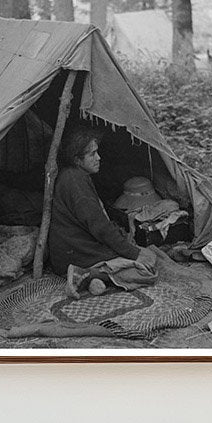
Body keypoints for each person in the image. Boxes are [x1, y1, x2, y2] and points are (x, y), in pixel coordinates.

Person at [48, 125, 158, 297]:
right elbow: (99, 226)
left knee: (139, 256)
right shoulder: (75, 182)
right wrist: (134, 253)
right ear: (77, 160)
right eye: (92, 154)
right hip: (77, 251)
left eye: (97, 152)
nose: (98, 158)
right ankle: (86, 274)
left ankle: (93, 279)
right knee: (146, 270)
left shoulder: (74, 175)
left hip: (70, 251)